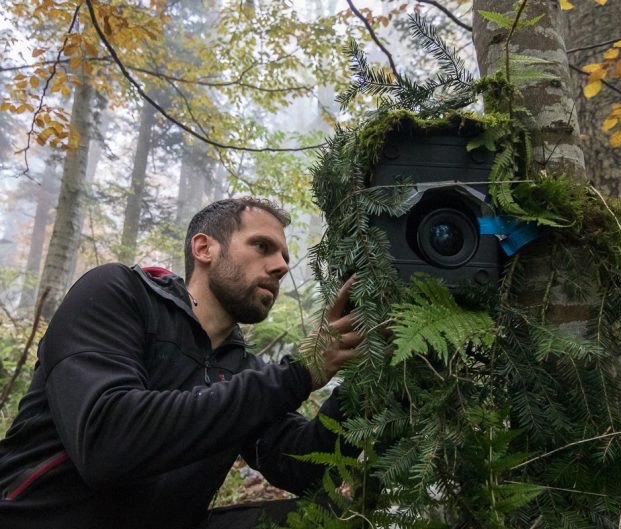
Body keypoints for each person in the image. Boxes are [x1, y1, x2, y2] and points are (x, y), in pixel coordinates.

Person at [0, 197, 362, 529]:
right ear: (204, 248)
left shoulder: (243, 370)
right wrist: (298, 372)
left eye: (283, 256)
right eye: (262, 246)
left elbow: (304, 465)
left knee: (332, 520)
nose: (281, 266)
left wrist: (366, 383)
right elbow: (105, 442)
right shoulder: (118, 294)